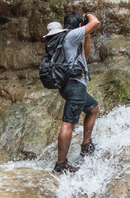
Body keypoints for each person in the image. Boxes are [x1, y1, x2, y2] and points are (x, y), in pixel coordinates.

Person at [44, 12, 100, 174]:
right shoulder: (72, 35)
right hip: (75, 85)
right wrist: (88, 15)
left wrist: (87, 36)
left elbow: (86, 57)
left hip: (71, 86)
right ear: (80, 26)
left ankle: (86, 145)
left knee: (93, 108)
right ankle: (61, 164)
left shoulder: (70, 40)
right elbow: (95, 22)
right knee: (68, 123)